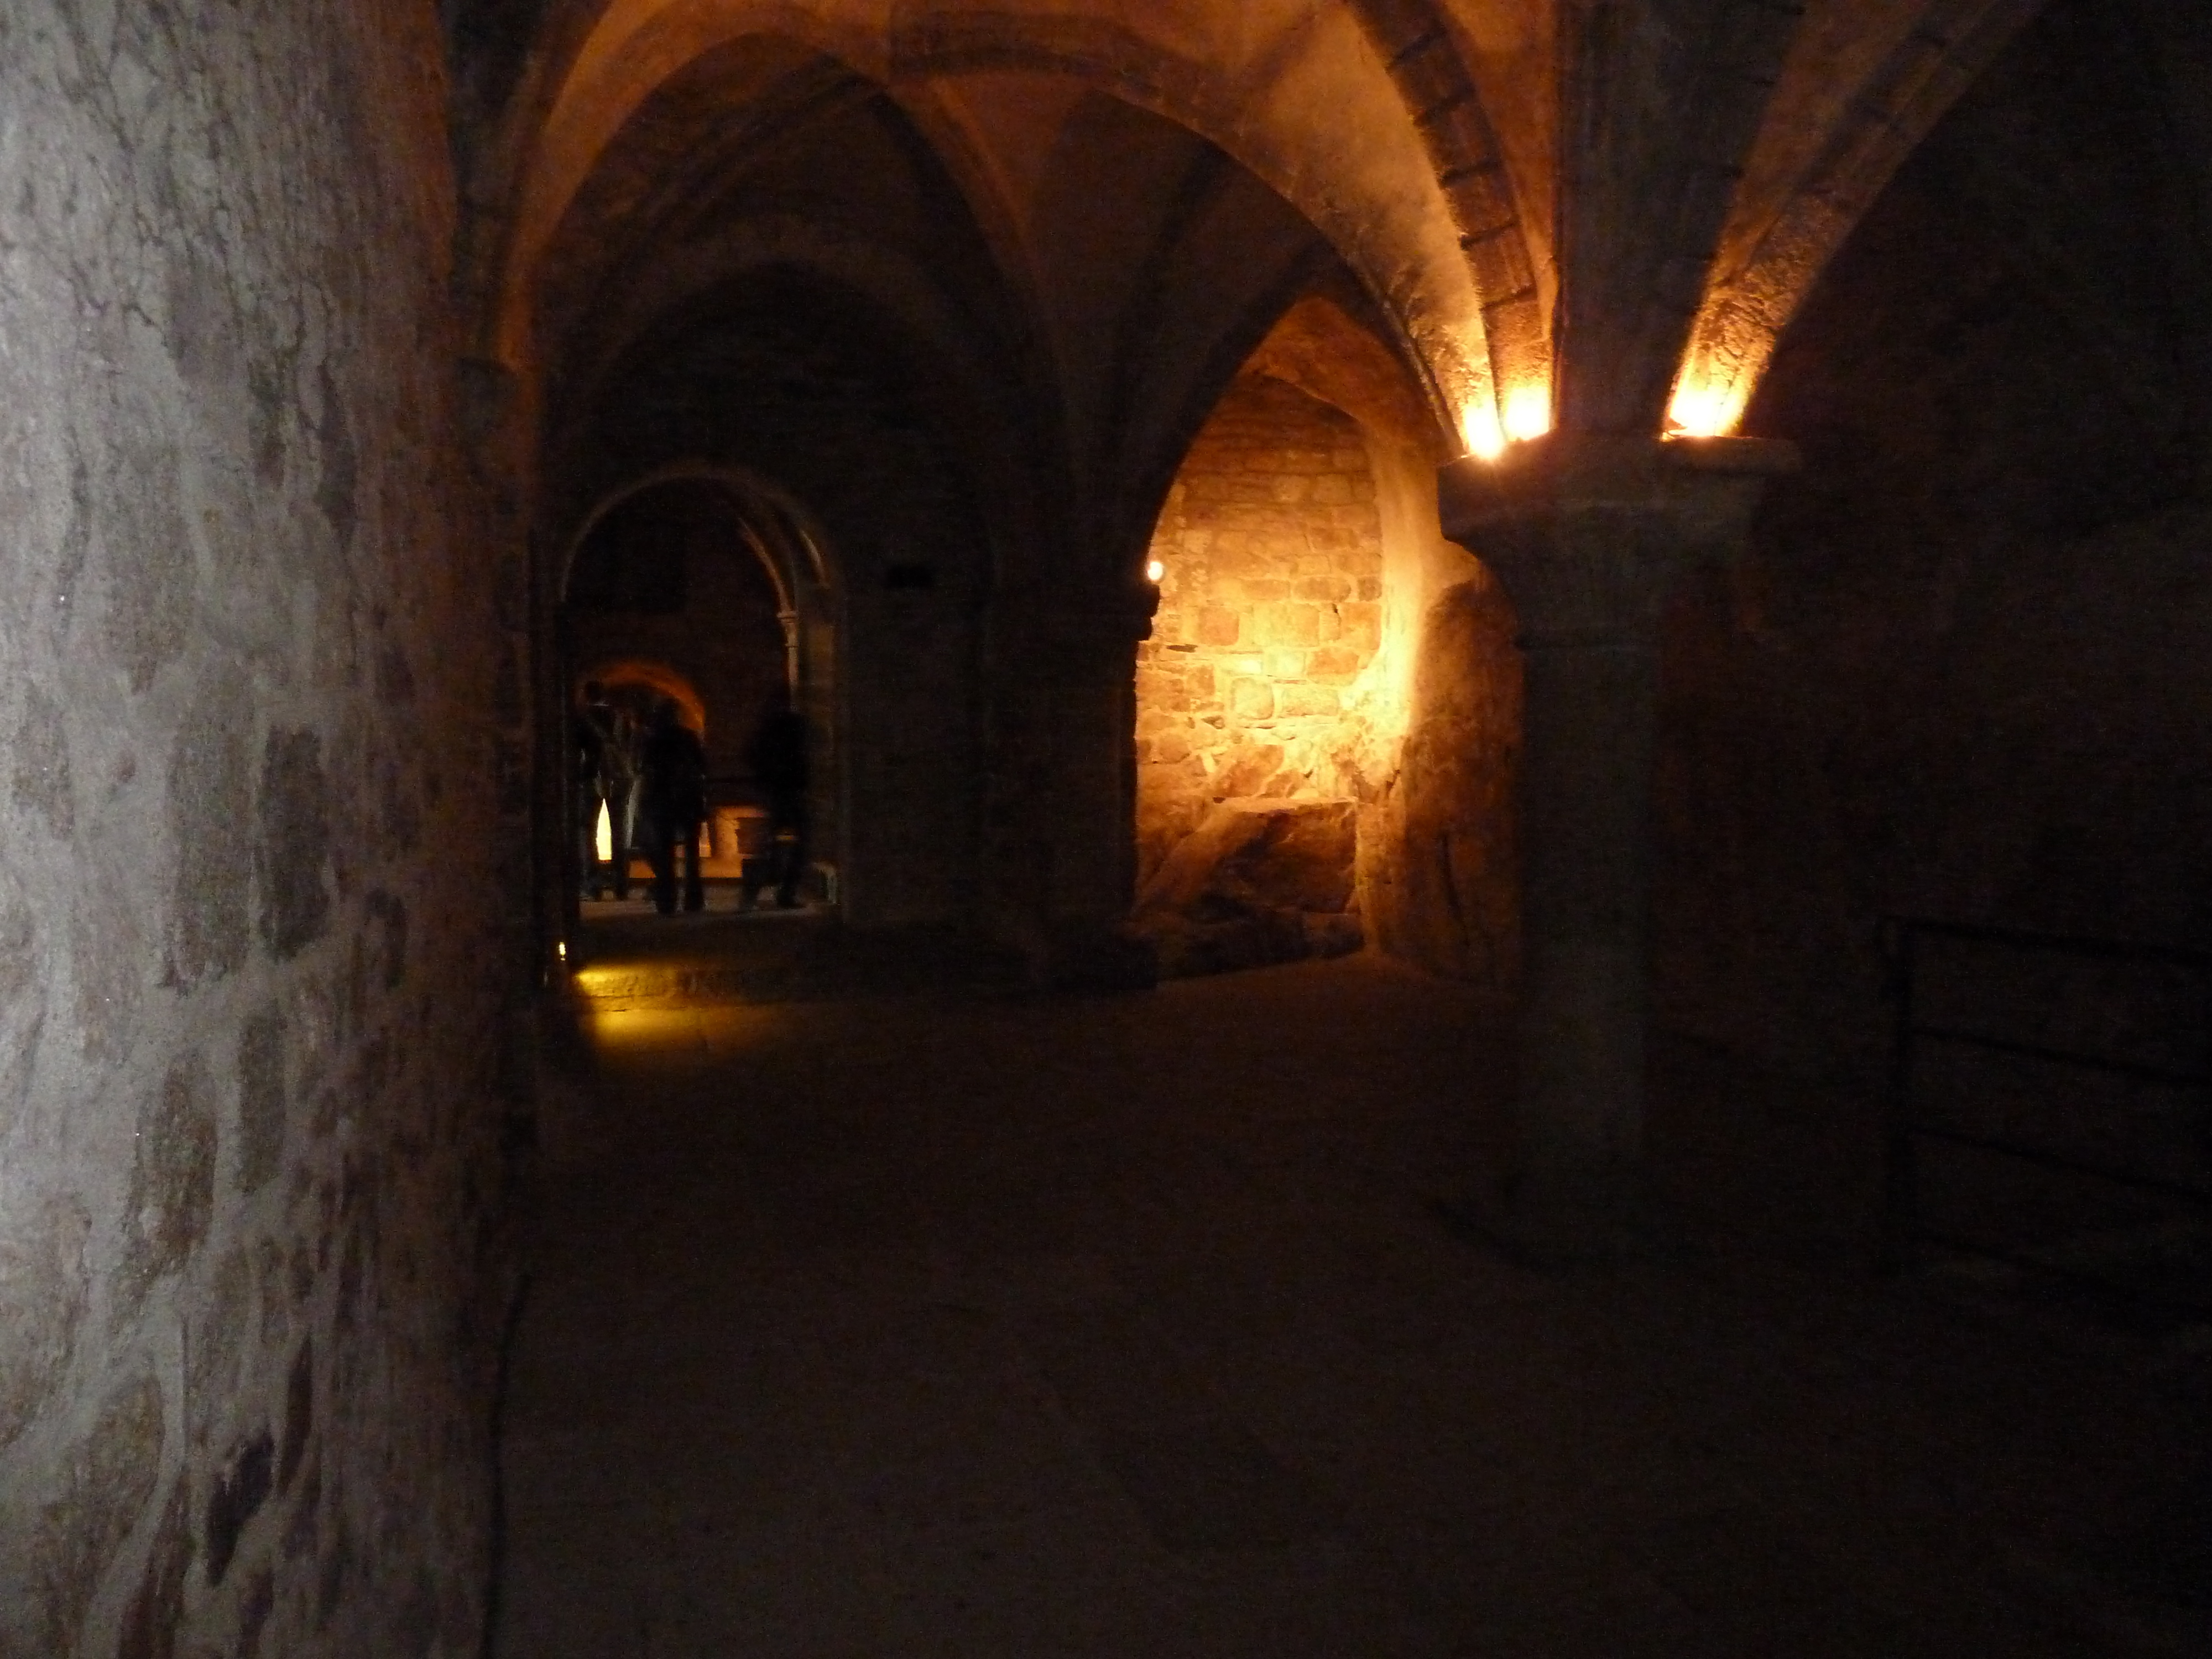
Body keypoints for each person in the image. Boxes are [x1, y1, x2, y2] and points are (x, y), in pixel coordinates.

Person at [639, 698, 707, 914]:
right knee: (692, 853)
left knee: (665, 852)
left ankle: (667, 900)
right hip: (688, 799)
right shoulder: (689, 737)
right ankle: (693, 899)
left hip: (663, 800)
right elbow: (702, 766)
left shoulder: (655, 741)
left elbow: (646, 770)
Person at [742, 690, 810, 909]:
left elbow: (751, 754)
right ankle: (786, 893)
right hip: (792, 791)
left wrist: (763, 780)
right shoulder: (794, 725)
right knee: (800, 843)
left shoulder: (766, 727)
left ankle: (751, 892)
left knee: (771, 842)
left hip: (774, 791)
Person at [573, 682, 624, 899]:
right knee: (620, 831)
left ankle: (593, 885)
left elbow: (576, 750)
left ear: (586, 696)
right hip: (618, 778)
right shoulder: (620, 718)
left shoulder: (582, 720)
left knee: (588, 831)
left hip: (590, 779)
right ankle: (621, 885)